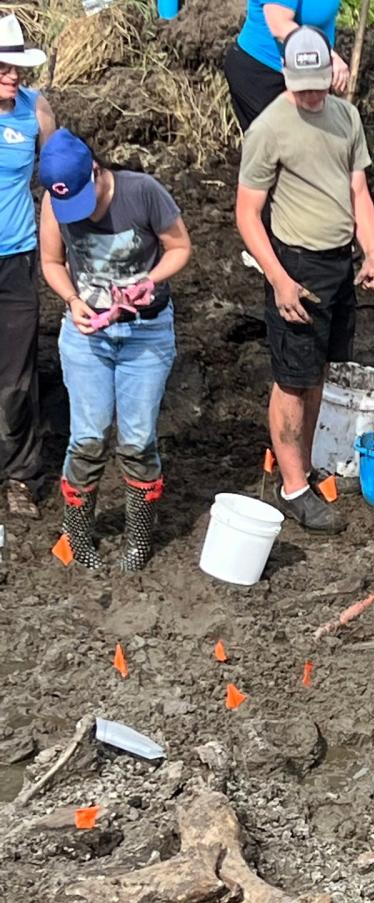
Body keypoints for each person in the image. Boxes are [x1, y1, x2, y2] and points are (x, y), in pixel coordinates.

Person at [236, 26, 374, 532]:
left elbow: (358, 189)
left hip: (338, 264)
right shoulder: (270, 128)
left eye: (318, 83)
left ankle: (302, 462)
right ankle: (293, 487)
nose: (312, 94)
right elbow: (247, 214)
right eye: (302, 86)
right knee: (291, 380)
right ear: (286, 77)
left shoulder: (346, 118)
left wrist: (372, 250)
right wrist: (277, 278)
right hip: (295, 264)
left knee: (318, 370)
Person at [38, 129, 191, 571]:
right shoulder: (55, 203)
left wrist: (150, 280)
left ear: (95, 170)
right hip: (88, 336)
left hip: (145, 333)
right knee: (87, 438)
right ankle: (79, 539)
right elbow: (51, 261)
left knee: (138, 440)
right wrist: (73, 299)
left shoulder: (143, 192)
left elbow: (180, 247)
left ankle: (138, 542)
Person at [0, 13, 55, 519]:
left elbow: (60, 176)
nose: (14, 75)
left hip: (16, 258)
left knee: (17, 376)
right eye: (4, 67)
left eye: (18, 66)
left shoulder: (35, 109)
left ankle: (21, 475)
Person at [225, 0, 349, 133]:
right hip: (263, 72)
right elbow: (280, 26)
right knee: (285, 144)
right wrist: (327, 55)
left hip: (307, 70)